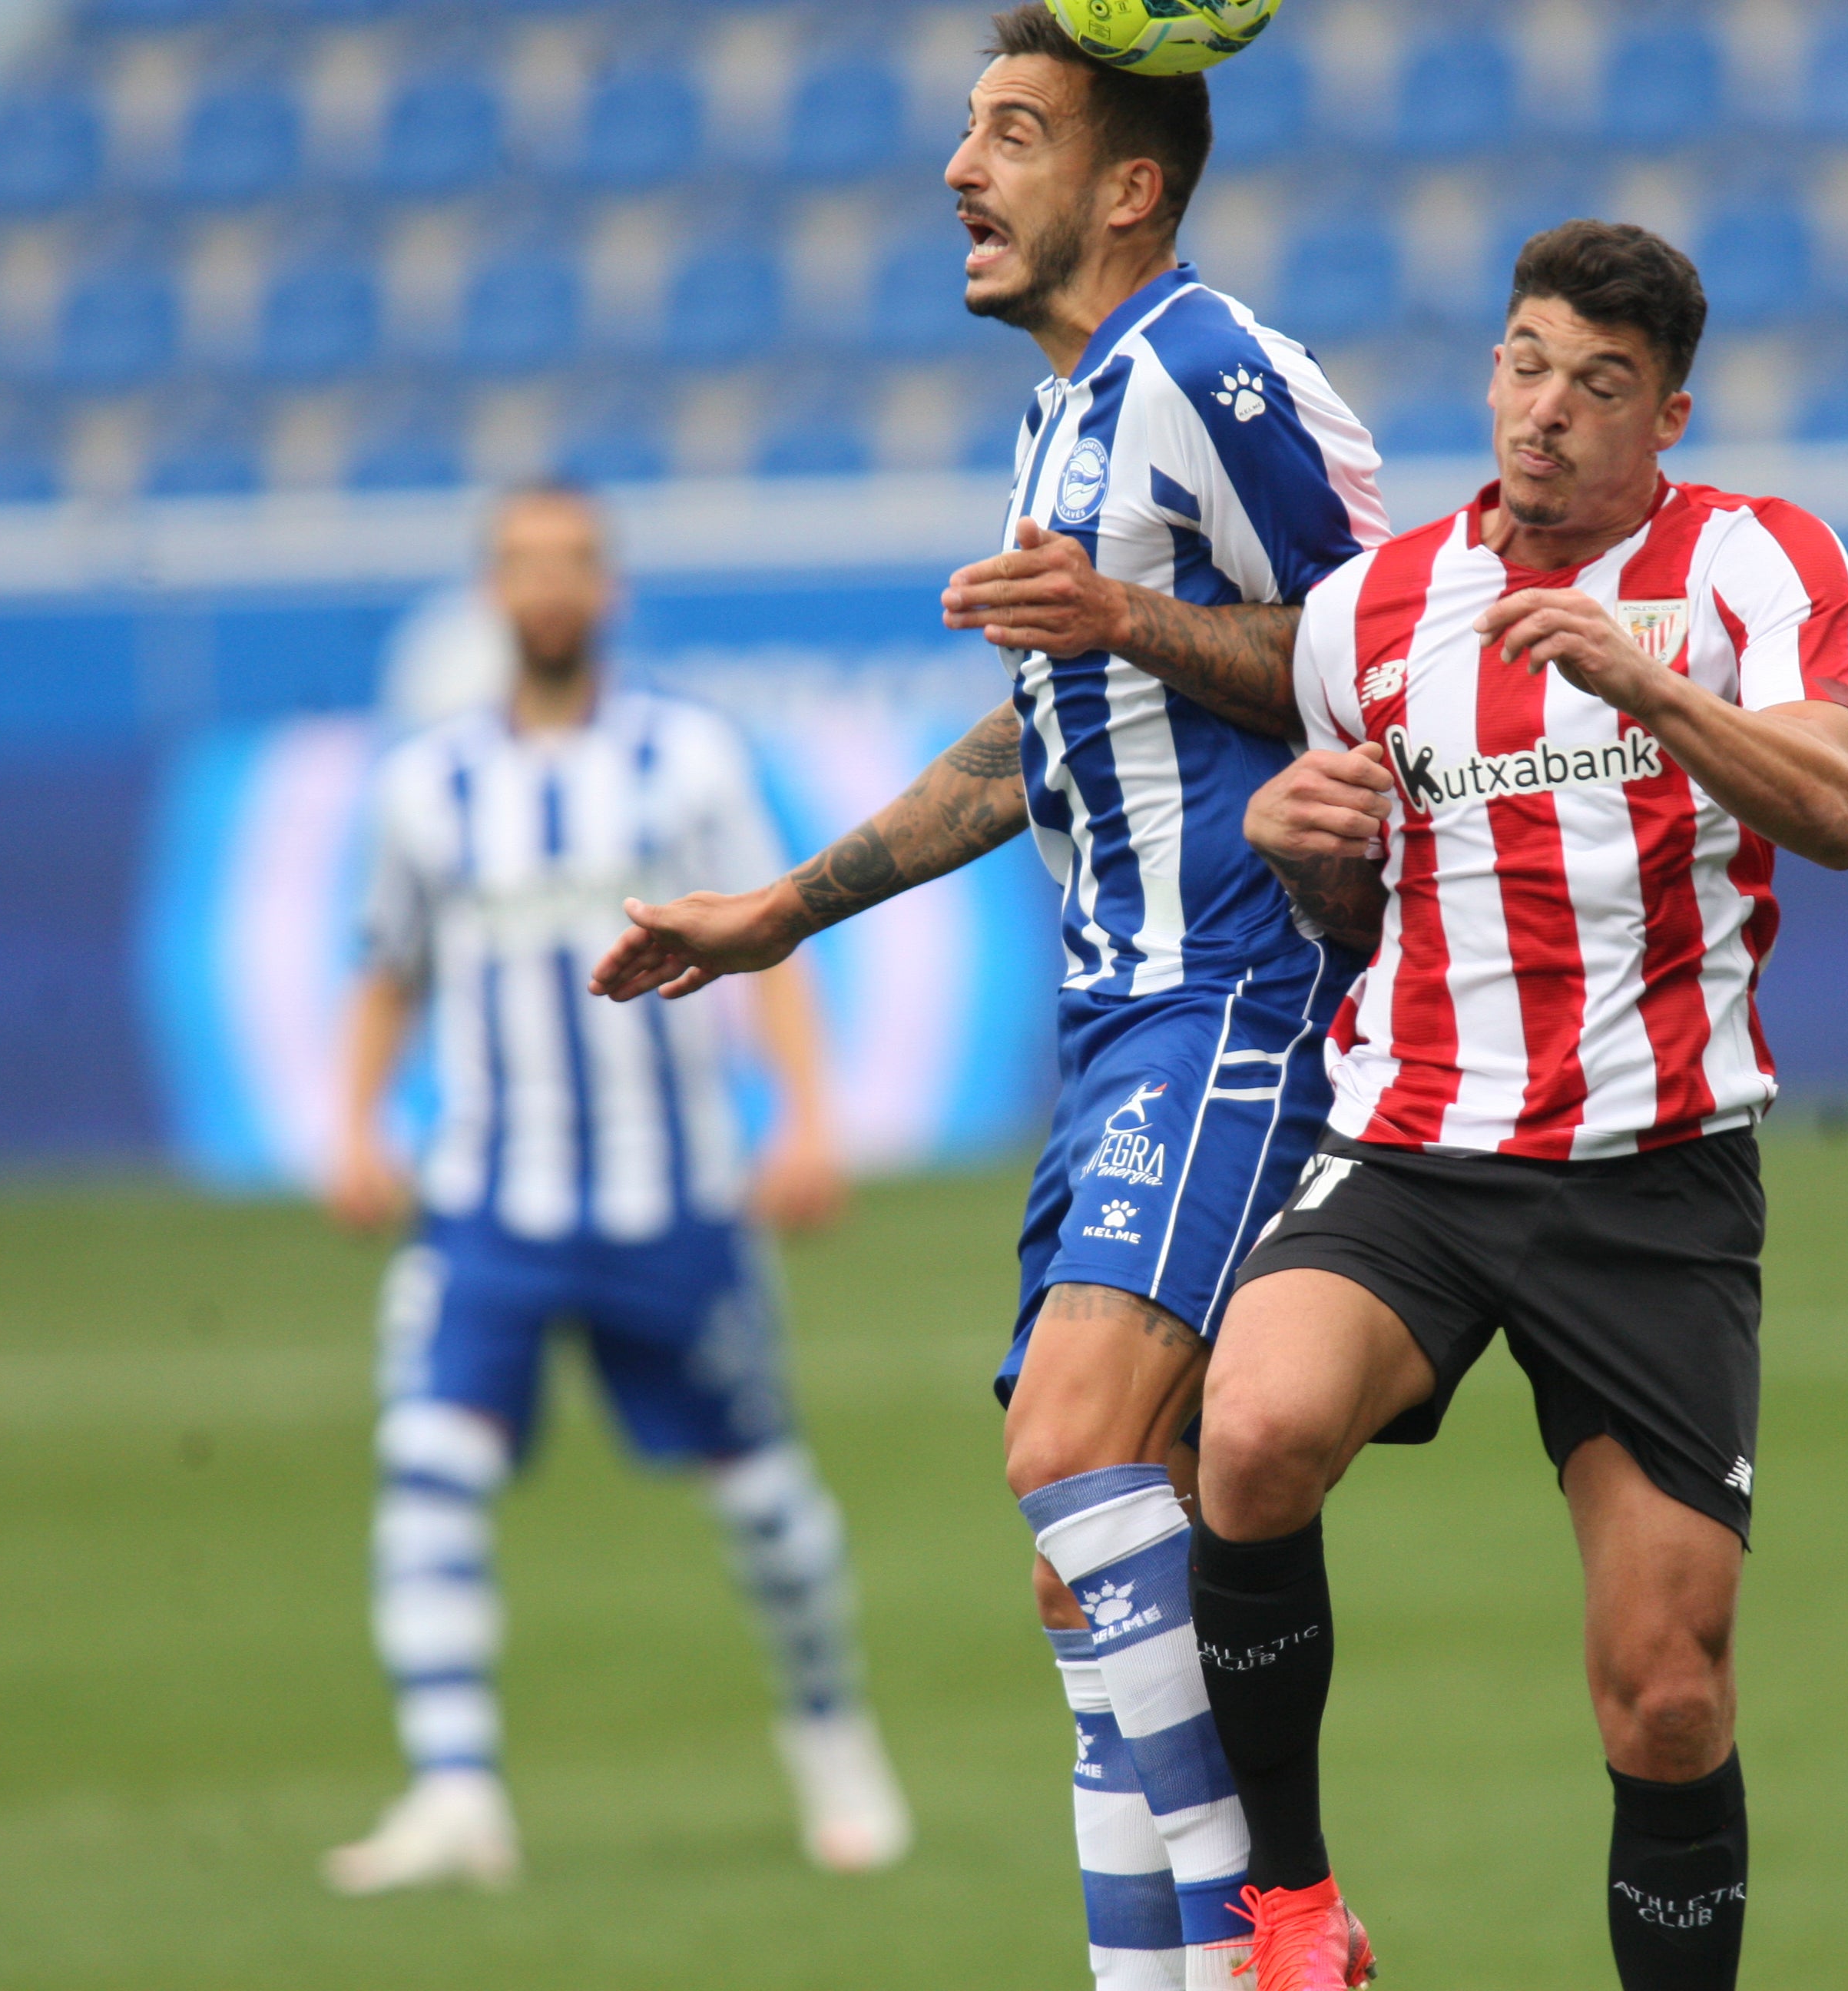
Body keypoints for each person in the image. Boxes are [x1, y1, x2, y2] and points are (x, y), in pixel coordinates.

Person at [588, 10, 1385, 1986]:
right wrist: (789, 905)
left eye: (1012, 131)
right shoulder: (1071, 405)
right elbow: (1051, 726)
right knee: (1108, 1534)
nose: (961, 166)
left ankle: (1269, 1931)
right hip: (1118, 1021)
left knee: (1072, 1450)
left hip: (1238, 992)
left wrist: (1123, 614)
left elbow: (1386, 653)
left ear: (1128, 185)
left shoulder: (1206, 366)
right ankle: (1176, 1968)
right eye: (968, 129)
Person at [1190, 220, 1848, 1991]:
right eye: (1522, 363)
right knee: (1253, 1435)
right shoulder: (1371, 613)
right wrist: (1302, 853)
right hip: (1416, 1150)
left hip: (1649, 1181)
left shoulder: (1750, 560)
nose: (1546, 411)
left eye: (1599, 384)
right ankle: (1291, 1909)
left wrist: (1648, 683)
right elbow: (1358, 904)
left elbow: (1843, 805)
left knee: (1666, 1691)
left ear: (1666, 414)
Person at [319, 483, 909, 1895]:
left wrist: (809, 1122)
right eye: (523, 564)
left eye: (573, 562)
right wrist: (350, 1128)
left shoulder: (685, 761)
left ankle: (833, 1737)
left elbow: (775, 945)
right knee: (430, 1482)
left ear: (611, 587)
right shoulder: (425, 786)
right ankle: (455, 1787)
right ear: (491, 592)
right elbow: (390, 967)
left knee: (768, 1503)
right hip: (489, 1207)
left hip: (675, 1204)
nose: (549, 587)